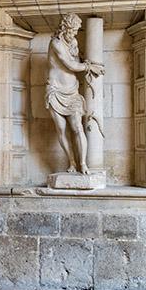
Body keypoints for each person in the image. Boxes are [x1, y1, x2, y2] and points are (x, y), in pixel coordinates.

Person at [46, 13, 104, 174]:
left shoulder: (74, 41)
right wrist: (89, 67)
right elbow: (70, 64)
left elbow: (77, 60)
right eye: (72, 30)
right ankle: (71, 162)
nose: (75, 34)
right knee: (61, 129)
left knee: (78, 127)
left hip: (72, 91)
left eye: (76, 31)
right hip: (56, 91)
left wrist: (86, 61)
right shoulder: (56, 43)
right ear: (64, 28)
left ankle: (83, 164)